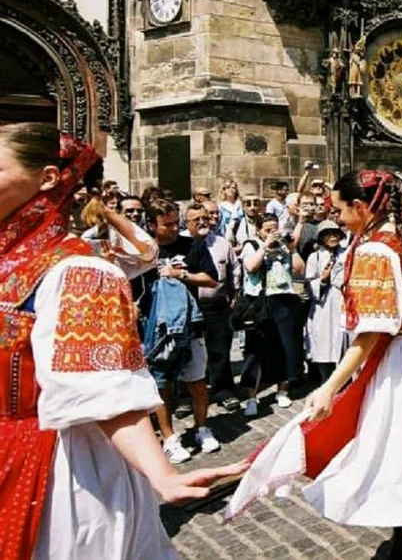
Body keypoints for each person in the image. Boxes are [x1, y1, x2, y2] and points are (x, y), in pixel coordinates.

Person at [0, 123, 242, 558]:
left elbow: (101, 390)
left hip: (56, 467)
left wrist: (161, 474)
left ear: (48, 178)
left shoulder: (79, 272)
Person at [227, 170, 402, 559]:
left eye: (340, 209)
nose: (337, 218)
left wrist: (329, 386)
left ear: (360, 207)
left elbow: (372, 332)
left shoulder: (377, 249)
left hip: (399, 363)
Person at [141, 200, 222, 464]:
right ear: (152, 225)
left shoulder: (192, 245)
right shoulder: (143, 250)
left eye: (177, 222)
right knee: (162, 386)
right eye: (168, 224)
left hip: (190, 324)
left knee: (197, 382)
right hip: (157, 330)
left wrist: (179, 274)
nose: (175, 228)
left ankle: (202, 428)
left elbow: (211, 279)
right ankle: (170, 438)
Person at [239, 213, 305, 415]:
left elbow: (300, 271)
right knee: (255, 350)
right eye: (267, 229)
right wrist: (265, 245)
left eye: (274, 228)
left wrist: (292, 249)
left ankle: (282, 390)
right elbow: (250, 267)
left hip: (284, 298)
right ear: (259, 230)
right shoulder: (251, 244)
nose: (272, 232)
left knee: (285, 346)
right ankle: (251, 397)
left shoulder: (285, 246)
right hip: (260, 301)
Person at [193, 202, 241, 408]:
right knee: (189, 352)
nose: (203, 222)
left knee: (220, 350)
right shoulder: (183, 243)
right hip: (190, 306)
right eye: (197, 219)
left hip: (217, 304)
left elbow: (234, 270)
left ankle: (223, 391)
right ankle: (187, 396)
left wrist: (234, 294)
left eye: (206, 217)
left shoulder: (222, 243)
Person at [305, 220, 349, 382]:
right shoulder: (315, 257)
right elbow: (309, 285)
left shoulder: (347, 253)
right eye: (328, 234)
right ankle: (326, 379)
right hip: (323, 307)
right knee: (324, 344)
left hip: (342, 303)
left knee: (343, 343)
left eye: (335, 233)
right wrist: (322, 280)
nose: (332, 237)